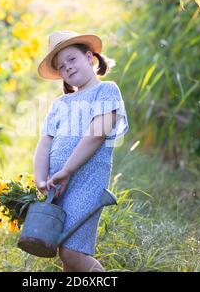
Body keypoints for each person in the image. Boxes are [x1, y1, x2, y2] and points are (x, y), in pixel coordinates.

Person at [33, 30, 129, 272]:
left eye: (72, 59)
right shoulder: (60, 104)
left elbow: (97, 133)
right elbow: (45, 143)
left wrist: (67, 169)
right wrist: (40, 178)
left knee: (72, 251)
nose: (68, 68)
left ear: (89, 57)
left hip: (86, 181)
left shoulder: (106, 90)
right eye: (62, 67)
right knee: (67, 253)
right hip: (57, 185)